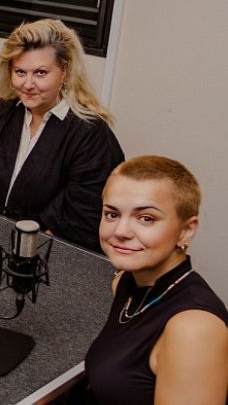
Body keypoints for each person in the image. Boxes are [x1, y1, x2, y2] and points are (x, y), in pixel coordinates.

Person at [0, 18, 123, 251]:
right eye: (20, 72)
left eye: (40, 73)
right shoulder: (1, 111)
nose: (28, 84)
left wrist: (26, 251)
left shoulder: (91, 133)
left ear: (64, 71)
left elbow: (83, 213)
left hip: (44, 253)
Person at [85, 156, 228, 403]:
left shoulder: (194, 331)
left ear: (186, 231)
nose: (121, 231)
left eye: (146, 218)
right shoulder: (128, 282)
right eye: (112, 214)